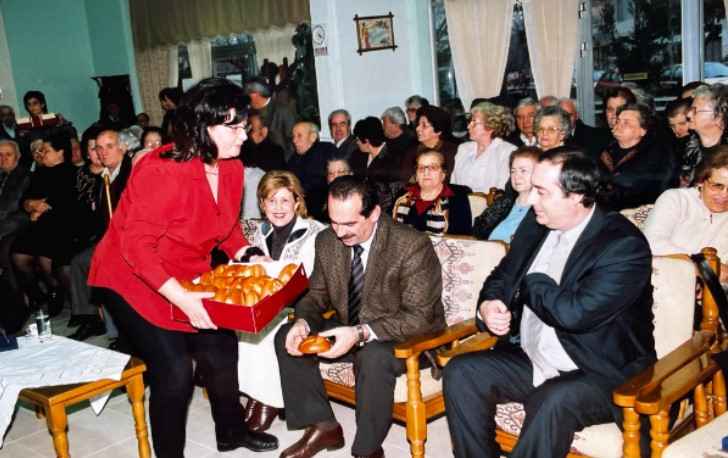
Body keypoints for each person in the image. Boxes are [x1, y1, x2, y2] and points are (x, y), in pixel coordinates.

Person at [87, 78, 279, 457]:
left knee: (222, 346)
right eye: (234, 127)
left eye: (245, 125)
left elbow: (224, 226)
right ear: (203, 127)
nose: (244, 135)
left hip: (184, 269)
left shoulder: (232, 167)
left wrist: (249, 254)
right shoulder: (161, 170)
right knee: (174, 370)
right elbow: (135, 246)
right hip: (131, 276)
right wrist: (183, 298)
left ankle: (231, 432)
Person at [443, 149, 656, 458]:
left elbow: (574, 314)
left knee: (552, 399)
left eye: (541, 192)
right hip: (534, 355)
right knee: (462, 372)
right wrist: (489, 303)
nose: (530, 200)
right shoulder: (536, 222)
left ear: (576, 195)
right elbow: (503, 274)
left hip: (597, 368)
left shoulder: (623, 245)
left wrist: (532, 281)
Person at [275, 175, 445, 458]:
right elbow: (316, 295)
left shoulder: (411, 245)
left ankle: (368, 450)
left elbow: (420, 317)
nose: (340, 232)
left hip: (404, 335)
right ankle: (323, 426)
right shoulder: (327, 240)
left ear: (374, 213)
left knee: (373, 356)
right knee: (287, 334)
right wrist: (303, 321)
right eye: (334, 221)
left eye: (350, 224)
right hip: (349, 327)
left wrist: (360, 333)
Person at [237, 170, 326, 432]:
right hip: (268, 300)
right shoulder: (260, 232)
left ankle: (269, 401)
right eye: (271, 201)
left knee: (267, 326)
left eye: (285, 200)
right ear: (262, 204)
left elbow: (311, 280)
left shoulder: (314, 232)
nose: (278, 208)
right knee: (244, 325)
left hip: (304, 304)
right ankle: (256, 395)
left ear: (297, 202)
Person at [69, 130, 133, 342]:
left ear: (122, 148)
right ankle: (93, 320)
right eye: (99, 147)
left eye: (109, 146)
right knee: (80, 261)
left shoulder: (131, 171)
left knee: (105, 264)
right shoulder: (104, 176)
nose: (103, 152)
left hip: (131, 239)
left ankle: (125, 331)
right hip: (108, 238)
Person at [12, 130, 80, 316]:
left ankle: (58, 292)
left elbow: (63, 202)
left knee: (45, 257)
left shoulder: (73, 172)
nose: (41, 154)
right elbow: (24, 200)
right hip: (39, 224)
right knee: (18, 256)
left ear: (60, 153)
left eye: (46, 150)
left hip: (63, 224)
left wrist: (39, 208)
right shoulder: (39, 174)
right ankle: (41, 295)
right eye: (40, 151)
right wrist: (30, 205)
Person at [645, 146, 728, 283]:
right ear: (701, 181)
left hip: (713, 292)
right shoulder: (676, 199)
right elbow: (652, 243)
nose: (724, 195)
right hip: (662, 283)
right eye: (717, 186)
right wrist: (704, 267)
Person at [599, 103, 676, 210]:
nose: (618, 125)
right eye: (618, 121)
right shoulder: (605, 151)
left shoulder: (653, 156)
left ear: (642, 130)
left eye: (626, 123)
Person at [393, 149, 472, 235]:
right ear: (416, 175)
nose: (426, 172)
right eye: (421, 168)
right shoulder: (403, 195)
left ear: (443, 174)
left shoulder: (458, 196)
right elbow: (388, 228)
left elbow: (462, 235)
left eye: (433, 167)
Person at [473, 146, 541, 241]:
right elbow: (477, 232)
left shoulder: (541, 211)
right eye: (513, 171)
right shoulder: (503, 203)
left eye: (523, 171)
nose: (516, 176)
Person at [451, 102, 516, 192]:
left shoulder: (507, 151)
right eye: (470, 122)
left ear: (490, 126)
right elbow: (454, 184)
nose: (468, 126)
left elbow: (502, 189)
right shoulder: (463, 148)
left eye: (474, 122)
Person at [350, 117, 402, 214]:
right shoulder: (358, 156)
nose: (357, 142)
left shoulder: (393, 157)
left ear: (367, 141)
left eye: (357, 139)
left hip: (384, 211)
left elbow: (393, 193)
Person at [287, 121, 336, 221]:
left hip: (324, 210)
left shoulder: (326, 150)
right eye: (293, 136)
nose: (294, 140)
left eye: (299, 136)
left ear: (313, 137)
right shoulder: (293, 158)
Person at [0, 139, 30, 296]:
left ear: (17, 157)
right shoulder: (3, 175)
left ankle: (19, 296)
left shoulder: (23, 175)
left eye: (8, 155)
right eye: (0, 155)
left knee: (6, 250)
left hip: (18, 223)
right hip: (6, 223)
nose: (3, 159)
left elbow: (11, 206)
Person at [683, 84, 728, 184]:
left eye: (695, 111)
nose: (688, 115)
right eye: (690, 109)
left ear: (718, 117)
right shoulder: (686, 148)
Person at [400, 105, 457, 184]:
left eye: (424, 126)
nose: (418, 129)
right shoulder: (412, 151)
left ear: (438, 131)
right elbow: (406, 178)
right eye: (418, 124)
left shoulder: (452, 151)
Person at [245, 77, 297, 160]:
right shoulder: (246, 112)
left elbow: (293, 142)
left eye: (246, 94)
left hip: (279, 163)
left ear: (254, 95)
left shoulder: (283, 111)